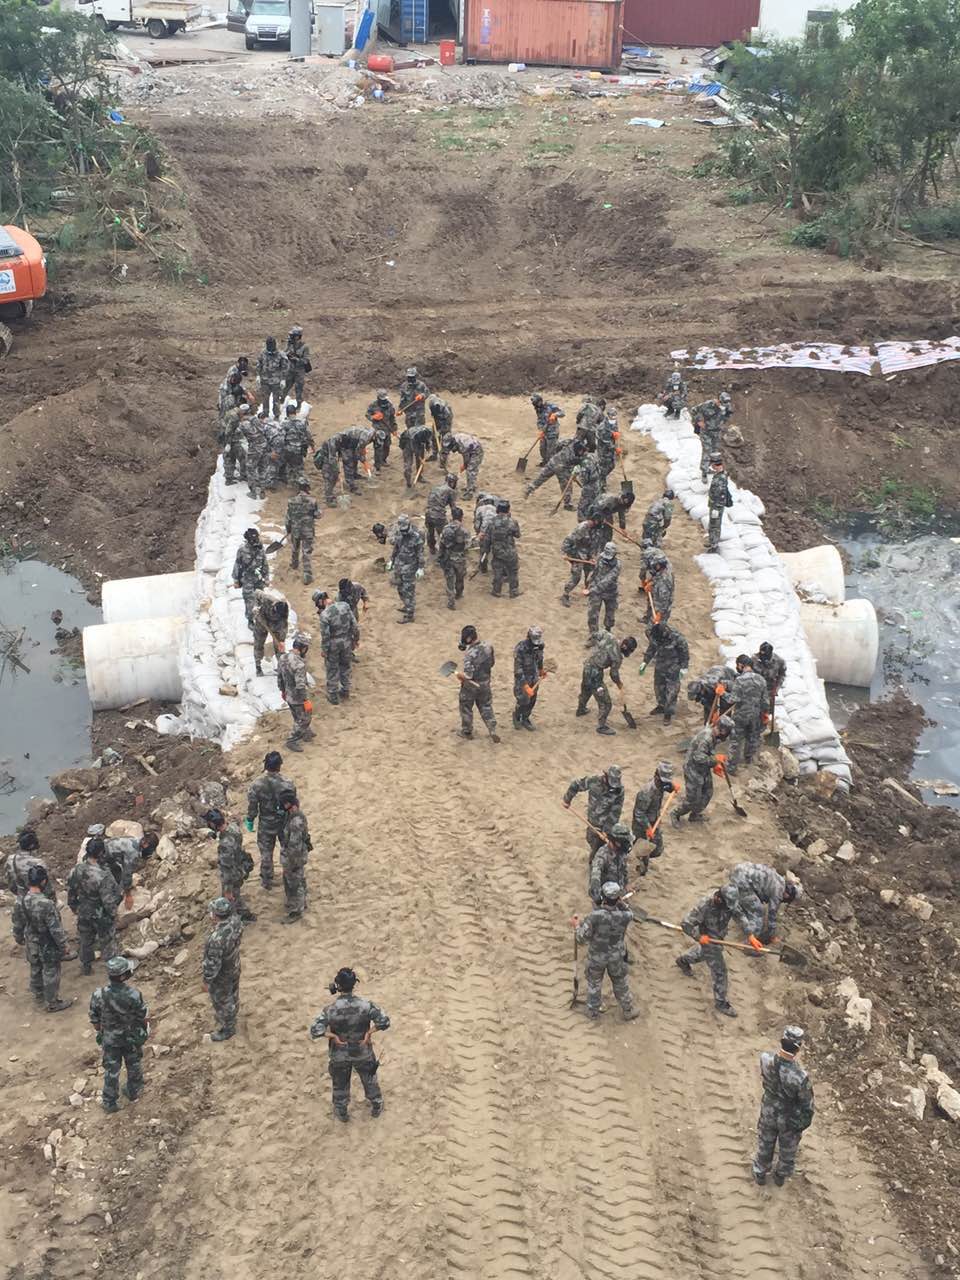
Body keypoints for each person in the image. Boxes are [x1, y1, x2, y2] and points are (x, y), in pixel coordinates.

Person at [309, 967, 391, 1122]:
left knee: (340, 1084)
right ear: (353, 985)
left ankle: (342, 1112)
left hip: (339, 1054)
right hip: (362, 1051)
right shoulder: (366, 1005)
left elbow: (315, 1030)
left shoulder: (330, 1010)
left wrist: (333, 1036)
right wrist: (369, 1033)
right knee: (369, 1079)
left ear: (338, 986)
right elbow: (384, 1022)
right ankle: (376, 1104)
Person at [752, 1026, 815, 1186]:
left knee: (765, 1141)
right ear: (798, 1048)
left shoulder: (765, 1059)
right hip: (788, 1117)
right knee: (788, 1149)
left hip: (768, 1110)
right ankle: (780, 1175)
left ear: (782, 1041)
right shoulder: (800, 1076)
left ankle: (760, 1172)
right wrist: (799, 1126)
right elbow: (807, 1107)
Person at [574, 882, 641, 1021]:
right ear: (617, 898)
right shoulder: (625, 916)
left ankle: (593, 1011)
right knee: (620, 982)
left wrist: (576, 926)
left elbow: (581, 938)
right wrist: (621, 903)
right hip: (617, 956)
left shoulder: (595, 916)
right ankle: (628, 1010)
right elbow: (629, 912)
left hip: (597, 957)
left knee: (594, 983)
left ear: (603, 897)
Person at [90, 956, 149, 1111]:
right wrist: (143, 1033)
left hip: (110, 1040)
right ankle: (134, 1090)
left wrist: (103, 1032)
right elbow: (142, 1016)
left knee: (111, 1071)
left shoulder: (98, 994)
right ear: (123, 976)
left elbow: (95, 1020)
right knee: (134, 1064)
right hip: (130, 1038)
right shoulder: (134, 994)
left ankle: (109, 1102)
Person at [14, 865, 73, 1012]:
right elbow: (55, 929)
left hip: (31, 941)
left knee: (35, 967)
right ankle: (52, 1003)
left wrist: (19, 937)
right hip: (47, 943)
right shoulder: (46, 904)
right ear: (43, 881)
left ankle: (38, 994)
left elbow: (18, 922)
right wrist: (64, 946)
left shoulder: (22, 901)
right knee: (51, 971)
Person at [676, 884, 740, 1017]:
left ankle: (683, 960)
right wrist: (699, 937)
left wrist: (750, 935)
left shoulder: (729, 902)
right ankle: (721, 1002)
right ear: (719, 899)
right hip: (708, 939)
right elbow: (686, 924)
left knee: (703, 954)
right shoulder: (704, 905)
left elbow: (738, 914)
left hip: (718, 936)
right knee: (720, 971)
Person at [67, 839, 121, 974]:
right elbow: (108, 900)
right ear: (101, 853)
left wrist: (74, 906)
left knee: (85, 940)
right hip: (100, 913)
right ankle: (113, 970)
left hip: (83, 910)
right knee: (107, 942)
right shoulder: (103, 875)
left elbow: (71, 890)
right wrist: (114, 914)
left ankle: (86, 967)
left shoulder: (77, 869)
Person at [246, 751, 297, 890]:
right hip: (284, 822)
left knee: (266, 854)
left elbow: (252, 806)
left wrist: (250, 819)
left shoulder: (256, 784)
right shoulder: (288, 784)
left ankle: (267, 880)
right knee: (286, 850)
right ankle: (289, 877)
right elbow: (293, 804)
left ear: (266, 766)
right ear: (279, 766)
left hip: (266, 824)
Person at [671, 715, 735, 825]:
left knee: (707, 792)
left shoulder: (714, 736)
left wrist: (715, 765)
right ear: (723, 730)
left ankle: (695, 815)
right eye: (727, 732)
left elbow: (708, 753)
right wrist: (715, 760)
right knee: (693, 799)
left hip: (703, 768)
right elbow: (698, 758)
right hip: (693, 770)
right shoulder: (705, 739)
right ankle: (676, 813)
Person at [577, 631, 637, 736]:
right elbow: (613, 674)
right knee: (606, 703)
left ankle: (581, 709)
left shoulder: (609, 636)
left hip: (587, 667)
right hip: (595, 674)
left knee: (586, 690)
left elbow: (595, 634)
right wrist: (619, 683)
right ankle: (601, 726)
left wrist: (589, 644)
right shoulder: (617, 657)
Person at [728, 863, 802, 946]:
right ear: (788, 895)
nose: (784, 902)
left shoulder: (780, 880)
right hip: (742, 881)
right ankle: (749, 944)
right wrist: (771, 935)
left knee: (753, 902)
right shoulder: (778, 893)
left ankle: (741, 910)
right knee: (758, 914)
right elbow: (772, 915)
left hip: (738, 870)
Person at [202, 897, 243, 1041]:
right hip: (234, 965)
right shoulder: (236, 922)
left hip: (222, 975)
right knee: (233, 992)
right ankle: (233, 1011)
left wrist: (206, 981)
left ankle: (228, 1029)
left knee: (222, 1000)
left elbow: (213, 964)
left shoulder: (216, 939)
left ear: (216, 915)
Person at [562, 764, 625, 857]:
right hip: (592, 821)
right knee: (591, 840)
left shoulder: (619, 791)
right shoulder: (594, 781)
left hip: (607, 823)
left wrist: (606, 830)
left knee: (600, 849)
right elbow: (576, 784)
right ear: (606, 776)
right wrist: (567, 799)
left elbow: (615, 812)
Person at [205, 809, 255, 922]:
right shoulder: (233, 828)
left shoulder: (225, 845)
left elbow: (226, 869)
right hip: (240, 865)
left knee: (231, 898)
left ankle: (244, 917)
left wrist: (227, 890)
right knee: (235, 895)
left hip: (233, 873)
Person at [631, 761, 678, 876]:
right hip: (642, 825)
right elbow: (639, 813)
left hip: (654, 820)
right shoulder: (646, 792)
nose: (664, 783)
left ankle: (641, 856)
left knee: (657, 849)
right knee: (643, 849)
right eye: (663, 781)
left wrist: (672, 787)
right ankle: (641, 866)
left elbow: (667, 787)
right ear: (656, 775)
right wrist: (647, 828)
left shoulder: (661, 784)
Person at [639, 622, 689, 725]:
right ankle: (661, 706)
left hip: (673, 666)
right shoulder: (655, 635)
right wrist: (645, 662)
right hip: (660, 664)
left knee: (672, 690)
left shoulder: (677, 638)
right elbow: (652, 648)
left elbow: (684, 652)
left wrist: (684, 667)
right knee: (658, 687)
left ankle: (668, 713)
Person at [456, 624, 500, 743]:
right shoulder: (488, 646)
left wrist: (460, 675)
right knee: (486, 706)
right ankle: (492, 729)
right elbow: (492, 663)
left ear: (468, 639)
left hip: (471, 687)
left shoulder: (469, 655)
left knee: (466, 707)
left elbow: (468, 676)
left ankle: (467, 731)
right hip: (485, 683)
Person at [727, 654, 770, 773]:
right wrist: (765, 715)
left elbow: (732, 700)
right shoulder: (761, 680)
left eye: (738, 665)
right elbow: (765, 702)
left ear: (741, 665)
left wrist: (722, 693)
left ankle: (731, 768)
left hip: (740, 716)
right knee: (752, 738)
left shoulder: (739, 680)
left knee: (736, 741)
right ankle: (748, 760)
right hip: (755, 716)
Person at [320, 580, 360, 705]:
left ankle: (333, 696)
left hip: (333, 645)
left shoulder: (325, 615)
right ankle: (345, 690)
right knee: (346, 666)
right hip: (347, 642)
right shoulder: (345, 606)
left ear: (321, 602)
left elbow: (325, 636)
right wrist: (355, 639)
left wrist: (324, 650)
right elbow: (355, 625)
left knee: (332, 669)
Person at [276, 632, 314, 751]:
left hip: (288, 694)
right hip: (297, 697)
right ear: (303, 648)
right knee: (304, 718)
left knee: (297, 715)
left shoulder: (283, 658)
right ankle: (291, 740)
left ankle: (306, 733)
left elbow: (280, 677)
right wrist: (305, 700)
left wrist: (282, 691)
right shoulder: (299, 664)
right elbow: (300, 685)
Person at [524, 437, 585, 509]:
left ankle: (529, 489)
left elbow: (559, 444)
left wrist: (557, 454)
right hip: (562, 468)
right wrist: (574, 473)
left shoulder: (571, 442)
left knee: (541, 477)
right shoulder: (577, 457)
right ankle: (567, 504)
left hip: (553, 461)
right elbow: (576, 467)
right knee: (566, 486)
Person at [279, 790, 311, 923]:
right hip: (294, 855)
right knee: (298, 880)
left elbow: (295, 846)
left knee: (294, 883)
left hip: (294, 858)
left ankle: (296, 910)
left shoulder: (295, 822)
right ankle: (301, 902)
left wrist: (292, 863)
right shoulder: (294, 816)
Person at [387, 513, 425, 623]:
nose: (403, 532)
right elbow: (396, 549)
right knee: (400, 588)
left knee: (408, 591)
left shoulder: (416, 537)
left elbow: (420, 554)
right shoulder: (399, 534)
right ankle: (406, 605)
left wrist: (421, 568)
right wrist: (391, 561)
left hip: (410, 567)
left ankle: (409, 615)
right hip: (399, 566)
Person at [102, 831, 160, 903]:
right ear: (145, 844)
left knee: (117, 870)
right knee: (107, 881)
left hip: (106, 850)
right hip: (101, 856)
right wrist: (128, 894)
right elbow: (127, 873)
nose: (150, 852)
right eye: (151, 849)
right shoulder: (133, 853)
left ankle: (117, 888)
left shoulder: (136, 840)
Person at [285, 478, 321, 586]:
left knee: (295, 548)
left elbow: (288, 517)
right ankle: (307, 574)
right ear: (307, 487)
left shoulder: (291, 501)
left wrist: (288, 529)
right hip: (308, 530)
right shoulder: (312, 501)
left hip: (295, 529)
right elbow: (317, 515)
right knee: (306, 552)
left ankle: (294, 564)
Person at [484, 498, 521, 599]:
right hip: (510, 551)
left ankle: (496, 591)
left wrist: (486, 551)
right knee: (513, 571)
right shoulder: (512, 522)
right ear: (508, 510)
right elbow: (517, 535)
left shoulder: (492, 522)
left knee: (498, 572)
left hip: (497, 552)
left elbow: (487, 539)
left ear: (497, 510)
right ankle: (514, 591)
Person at [232, 528, 269, 628]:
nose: (255, 541)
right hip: (247, 579)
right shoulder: (242, 550)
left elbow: (265, 564)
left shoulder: (260, 549)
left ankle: (260, 618)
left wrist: (266, 578)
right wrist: (236, 580)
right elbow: (237, 564)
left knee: (260, 599)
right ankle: (250, 619)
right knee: (249, 600)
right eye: (252, 539)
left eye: (256, 539)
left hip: (258, 578)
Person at [588, 826, 632, 905]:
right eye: (625, 842)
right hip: (607, 895)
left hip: (619, 890)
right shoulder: (602, 855)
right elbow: (595, 874)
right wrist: (597, 894)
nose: (627, 845)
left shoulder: (621, 852)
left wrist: (626, 884)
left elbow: (624, 869)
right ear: (617, 843)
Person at [513, 625, 545, 731]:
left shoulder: (539, 645)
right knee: (522, 700)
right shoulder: (520, 648)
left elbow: (540, 658)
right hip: (523, 679)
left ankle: (525, 718)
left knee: (532, 700)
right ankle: (517, 716)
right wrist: (525, 685)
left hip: (534, 677)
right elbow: (518, 670)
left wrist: (541, 669)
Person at [251, 588, 289, 677]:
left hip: (276, 626)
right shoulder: (267, 599)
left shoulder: (284, 609)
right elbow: (256, 592)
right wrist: (256, 606)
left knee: (279, 648)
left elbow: (284, 625)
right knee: (258, 644)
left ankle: (281, 668)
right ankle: (258, 667)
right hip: (261, 622)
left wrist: (281, 640)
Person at [586, 542, 619, 640]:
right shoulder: (601, 557)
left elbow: (607, 580)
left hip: (610, 592)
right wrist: (589, 582)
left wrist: (592, 590)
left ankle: (607, 631)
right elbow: (595, 571)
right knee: (592, 614)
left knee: (610, 614)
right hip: (597, 592)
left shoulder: (617, 565)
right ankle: (594, 636)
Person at [560, 518, 597, 606]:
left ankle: (587, 589)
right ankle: (565, 594)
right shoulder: (582, 528)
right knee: (576, 576)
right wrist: (565, 553)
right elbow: (569, 539)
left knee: (590, 572)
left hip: (586, 553)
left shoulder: (594, 529)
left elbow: (592, 543)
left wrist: (591, 557)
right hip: (576, 555)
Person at [437, 505, 469, 610]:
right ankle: (459, 594)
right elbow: (467, 545)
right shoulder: (464, 530)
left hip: (448, 558)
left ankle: (451, 602)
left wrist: (440, 557)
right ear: (461, 517)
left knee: (449, 580)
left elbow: (441, 544)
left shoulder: (446, 529)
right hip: (459, 559)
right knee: (460, 577)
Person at [753, 641, 787, 730]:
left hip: (769, 689)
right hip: (756, 688)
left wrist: (777, 688)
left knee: (766, 711)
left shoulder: (779, 661)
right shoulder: (754, 659)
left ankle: (763, 728)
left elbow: (782, 675)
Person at [441, 432, 485, 498]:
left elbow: (466, 457)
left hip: (476, 452)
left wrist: (464, 465)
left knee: (470, 471)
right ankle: (470, 486)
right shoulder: (455, 440)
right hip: (471, 450)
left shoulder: (462, 444)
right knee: (469, 469)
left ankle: (470, 492)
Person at [692, 398, 726, 482]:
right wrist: (699, 421)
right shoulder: (707, 405)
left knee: (715, 451)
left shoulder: (724, 406)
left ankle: (712, 468)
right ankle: (704, 471)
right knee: (707, 451)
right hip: (706, 432)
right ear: (718, 400)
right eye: (721, 403)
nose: (722, 405)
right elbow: (694, 410)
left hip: (716, 432)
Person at [425, 472, 458, 555]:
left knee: (430, 531)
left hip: (428, 513)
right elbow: (453, 508)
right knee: (445, 533)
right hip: (439, 516)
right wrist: (456, 521)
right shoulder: (450, 491)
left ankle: (431, 548)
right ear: (452, 482)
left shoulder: (435, 488)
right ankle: (444, 552)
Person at [256, 336, 289, 420]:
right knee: (265, 398)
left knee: (276, 400)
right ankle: (265, 414)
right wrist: (258, 375)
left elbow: (285, 368)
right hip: (265, 381)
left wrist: (283, 379)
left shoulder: (281, 355)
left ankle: (276, 415)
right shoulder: (263, 353)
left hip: (276, 382)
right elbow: (259, 365)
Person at [706, 453, 733, 552]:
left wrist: (716, 508)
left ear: (715, 465)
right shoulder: (719, 475)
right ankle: (711, 541)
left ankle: (714, 545)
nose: (711, 467)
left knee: (715, 525)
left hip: (717, 506)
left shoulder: (720, 478)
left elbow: (720, 494)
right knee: (712, 524)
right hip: (714, 504)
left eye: (712, 465)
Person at [365, 390, 397, 470]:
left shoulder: (390, 405)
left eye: (385, 399)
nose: (384, 401)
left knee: (387, 446)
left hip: (387, 429)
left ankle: (383, 460)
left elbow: (392, 418)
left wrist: (394, 429)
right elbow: (367, 414)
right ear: (378, 398)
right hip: (378, 430)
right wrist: (373, 417)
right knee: (378, 448)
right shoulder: (373, 405)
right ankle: (377, 466)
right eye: (382, 399)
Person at [220, 402, 249, 486]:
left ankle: (229, 477)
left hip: (227, 437)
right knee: (238, 457)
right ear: (243, 412)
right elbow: (228, 431)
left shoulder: (234, 410)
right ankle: (241, 476)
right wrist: (228, 443)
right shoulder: (235, 417)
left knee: (230, 457)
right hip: (231, 440)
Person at [282, 405, 314, 481]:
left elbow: (281, 438)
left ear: (287, 413)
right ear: (295, 412)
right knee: (299, 468)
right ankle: (302, 483)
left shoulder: (284, 424)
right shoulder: (302, 423)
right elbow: (308, 436)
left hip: (288, 450)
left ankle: (291, 481)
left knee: (289, 467)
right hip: (299, 450)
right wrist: (312, 446)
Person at [242, 409, 269, 500]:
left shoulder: (244, 424)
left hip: (254, 449)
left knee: (251, 469)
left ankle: (253, 492)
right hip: (264, 446)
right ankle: (262, 492)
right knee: (263, 468)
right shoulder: (257, 420)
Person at [642, 551, 674, 626]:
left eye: (656, 565)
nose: (655, 566)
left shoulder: (664, 582)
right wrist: (651, 582)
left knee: (657, 629)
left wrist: (659, 614)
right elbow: (657, 577)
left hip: (661, 609)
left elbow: (664, 600)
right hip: (657, 603)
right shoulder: (662, 571)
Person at [283, 326, 311, 410]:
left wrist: (297, 359)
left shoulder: (304, 347)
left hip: (299, 372)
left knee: (298, 390)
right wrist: (287, 354)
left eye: (292, 336)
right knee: (285, 387)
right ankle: (281, 402)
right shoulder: (290, 344)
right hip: (290, 370)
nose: (290, 337)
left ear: (297, 337)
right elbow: (284, 352)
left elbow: (306, 360)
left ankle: (298, 406)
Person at [531, 394, 564, 463]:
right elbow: (539, 420)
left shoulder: (550, 406)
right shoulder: (538, 409)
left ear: (540, 401)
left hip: (553, 432)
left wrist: (555, 414)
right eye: (535, 404)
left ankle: (550, 464)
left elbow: (562, 413)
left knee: (550, 451)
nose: (536, 405)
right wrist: (540, 430)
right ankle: (544, 461)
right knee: (542, 449)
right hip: (544, 431)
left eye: (537, 403)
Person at [398, 366, 429, 435]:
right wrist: (400, 409)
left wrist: (422, 395)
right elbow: (402, 400)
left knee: (420, 431)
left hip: (419, 413)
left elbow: (427, 393)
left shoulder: (421, 385)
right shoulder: (404, 386)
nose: (410, 379)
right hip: (409, 413)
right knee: (410, 432)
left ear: (415, 376)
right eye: (409, 377)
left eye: (412, 377)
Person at [575, 451, 604, 521]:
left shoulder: (584, 463)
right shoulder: (593, 456)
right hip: (597, 484)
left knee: (582, 508)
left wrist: (578, 473)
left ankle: (583, 523)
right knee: (594, 504)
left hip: (589, 488)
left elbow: (584, 480)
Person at [595, 410, 621, 487]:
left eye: (615, 417)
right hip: (603, 450)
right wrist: (615, 449)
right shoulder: (602, 427)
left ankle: (601, 477)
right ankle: (600, 482)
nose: (614, 419)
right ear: (608, 416)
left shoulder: (614, 422)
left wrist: (616, 434)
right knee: (603, 466)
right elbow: (606, 442)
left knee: (612, 465)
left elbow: (616, 430)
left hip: (611, 448)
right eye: (612, 417)